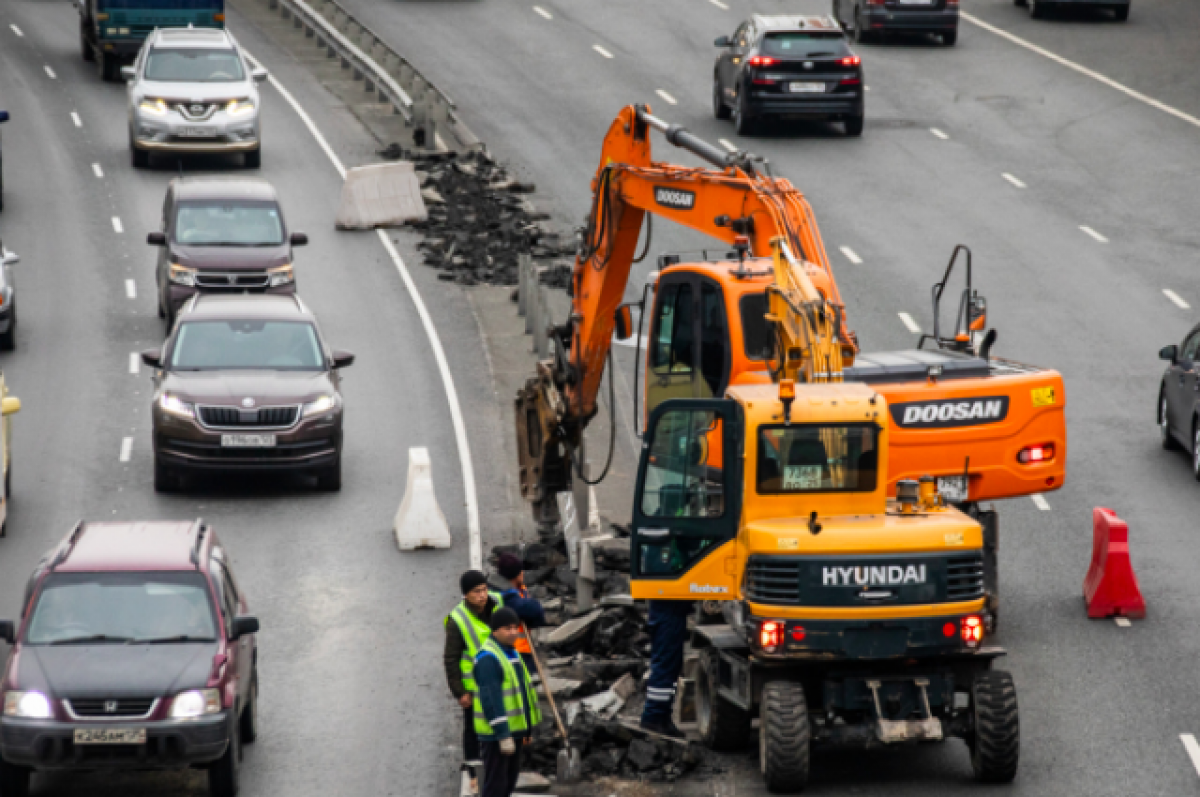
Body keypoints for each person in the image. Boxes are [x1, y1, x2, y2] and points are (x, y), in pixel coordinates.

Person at [444, 570, 504, 794]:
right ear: (466, 595)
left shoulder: (497, 604)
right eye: (476, 591)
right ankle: (474, 774)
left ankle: (497, 768)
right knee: (473, 729)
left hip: (501, 680)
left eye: (484, 589)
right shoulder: (457, 620)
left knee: (501, 722)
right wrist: (459, 692)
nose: (482, 595)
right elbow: (451, 659)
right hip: (475, 686)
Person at [473, 607, 542, 797]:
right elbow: (491, 699)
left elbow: (522, 695)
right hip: (497, 736)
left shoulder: (512, 654)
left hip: (515, 732)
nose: (513, 632)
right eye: (507, 628)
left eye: (515, 628)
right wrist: (503, 734)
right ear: (495, 630)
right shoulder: (488, 658)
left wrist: (526, 729)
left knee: (508, 784)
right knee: (496, 786)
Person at [639, 598, 693, 739]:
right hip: (668, 614)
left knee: (671, 667)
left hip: (672, 613)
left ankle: (662, 717)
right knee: (665, 667)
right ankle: (653, 717)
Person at [493, 553, 546, 674]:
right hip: (517, 651)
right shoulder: (508, 596)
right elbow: (536, 611)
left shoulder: (496, 587)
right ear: (516, 574)